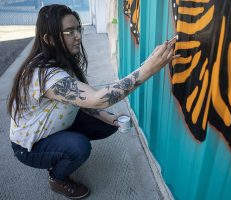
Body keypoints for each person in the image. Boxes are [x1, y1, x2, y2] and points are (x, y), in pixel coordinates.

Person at [7, 4, 179, 200]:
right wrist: (148, 69)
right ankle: (57, 177)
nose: (78, 36)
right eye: (69, 31)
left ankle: (62, 146)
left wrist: (109, 119)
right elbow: (97, 100)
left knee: (108, 125)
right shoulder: (46, 74)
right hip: (29, 147)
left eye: (78, 28)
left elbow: (83, 101)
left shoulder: (62, 60)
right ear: (49, 39)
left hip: (48, 128)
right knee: (79, 147)